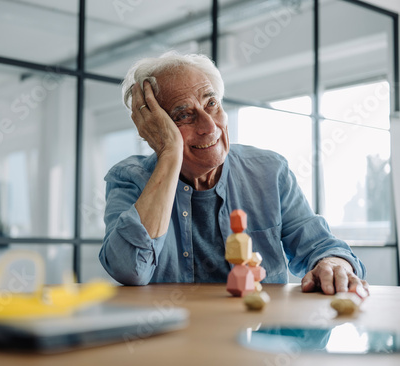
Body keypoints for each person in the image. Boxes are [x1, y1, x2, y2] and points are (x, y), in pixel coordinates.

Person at [99, 51, 368, 296]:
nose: (209, 126)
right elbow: (130, 269)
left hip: (258, 335)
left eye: (212, 103)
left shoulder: (270, 171)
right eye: (184, 115)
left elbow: (319, 245)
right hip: (170, 341)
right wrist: (170, 154)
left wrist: (333, 262)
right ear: (154, 127)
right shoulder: (128, 178)